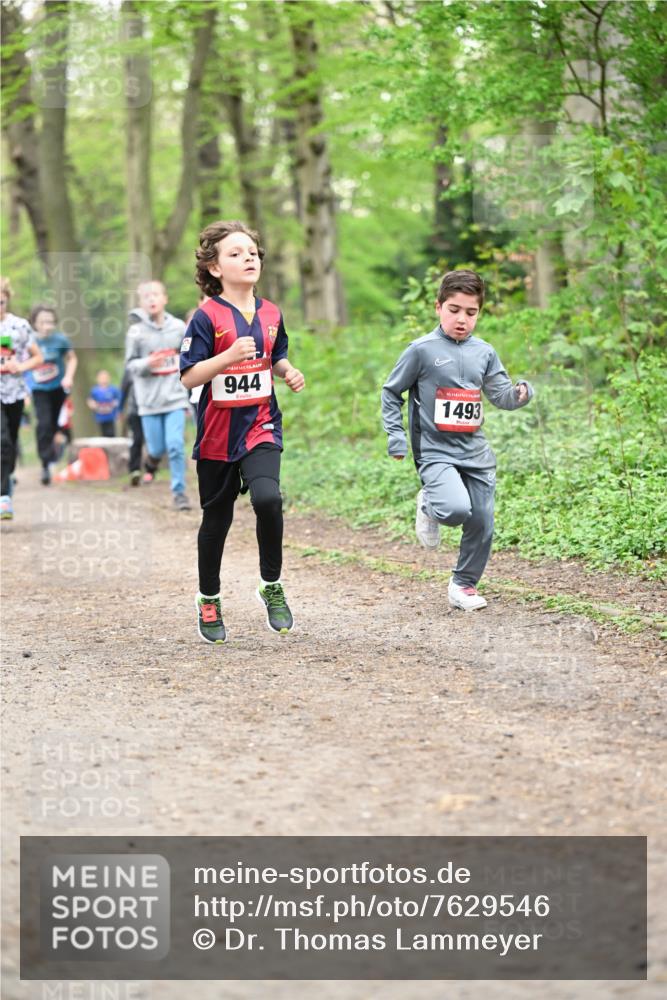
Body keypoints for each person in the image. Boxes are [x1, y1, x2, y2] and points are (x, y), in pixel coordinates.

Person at [180, 219, 305, 643]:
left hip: (260, 423)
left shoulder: (271, 312)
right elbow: (189, 377)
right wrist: (228, 355)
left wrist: (287, 371)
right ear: (215, 268)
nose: (247, 258)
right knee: (217, 519)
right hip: (217, 432)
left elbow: (277, 353)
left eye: (251, 251)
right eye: (235, 253)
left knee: (269, 499)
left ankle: (271, 584)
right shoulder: (206, 317)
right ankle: (209, 597)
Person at [381, 269, 534, 611]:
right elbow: (392, 393)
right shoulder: (421, 350)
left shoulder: (485, 352)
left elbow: (501, 396)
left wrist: (521, 393)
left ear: (479, 313)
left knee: (482, 519)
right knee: (454, 509)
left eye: (471, 312)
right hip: (435, 450)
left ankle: (463, 584)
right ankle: (429, 504)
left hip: (476, 452)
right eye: (454, 310)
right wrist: (396, 437)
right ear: (438, 307)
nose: (462, 319)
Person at [124, 281, 191, 508]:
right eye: (146, 297)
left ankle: (179, 493)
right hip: (149, 401)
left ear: (165, 298)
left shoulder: (179, 327)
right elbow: (130, 365)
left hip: (175, 397)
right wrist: (147, 362)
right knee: (156, 449)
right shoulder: (136, 332)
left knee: (175, 445)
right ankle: (151, 460)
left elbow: (190, 357)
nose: (151, 299)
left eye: (155, 295)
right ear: (141, 303)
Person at [0, 277, 43, 520]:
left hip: (14, 391)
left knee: (11, 441)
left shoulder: (20, 326)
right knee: (3, 440)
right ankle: (3, 497)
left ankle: (6, 480)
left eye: (1, 302)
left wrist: (21, 365)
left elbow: (38, 357)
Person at [27, 304, 77, 484]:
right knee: (44, 423)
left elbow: (72, 358)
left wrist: (69, 376)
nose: (47, 325)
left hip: (58, 388)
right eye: (42, 322)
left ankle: (64, 455)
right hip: (39, 389)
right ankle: (45, 463)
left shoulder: (60, 340)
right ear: (34, 323)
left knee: (57, 424)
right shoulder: (28, 340)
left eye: (50, 322)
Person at [87, 370, 120, 437]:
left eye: (105, 378)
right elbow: (90, 400)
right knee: (102, 434)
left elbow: (118, 400)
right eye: (101, 378)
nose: (103, 380)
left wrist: (115, 406)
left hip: (111, 416)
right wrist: (93, 404)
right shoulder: (94, 390)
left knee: (111, 434)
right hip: (100, 417)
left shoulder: (113, 389)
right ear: (97, 379)